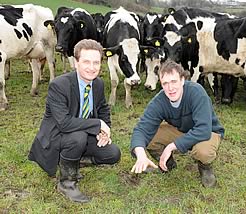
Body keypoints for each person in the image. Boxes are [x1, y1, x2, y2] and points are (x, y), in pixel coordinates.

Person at [28, 39, 121, 203]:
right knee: (77, 137)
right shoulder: (59, 85)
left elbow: (103, 108)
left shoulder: (98, 84)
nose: (91, 67)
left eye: (96, 62)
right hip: (56, 138)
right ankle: (67, 183)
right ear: (76, 63)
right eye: (86, 62)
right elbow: (64, 123)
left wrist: (104, 132)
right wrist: (98, 124)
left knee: (113, 154)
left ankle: (73, 161)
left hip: (81, 134)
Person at [130, 60, 225, 188]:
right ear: (161, 84)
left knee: (203, 151)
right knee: (150, 137)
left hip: (208, 132)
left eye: (174, 81)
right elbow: (141, 129)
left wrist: (171, 146)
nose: (170, 88)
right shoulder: (160, 100)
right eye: (165, 83)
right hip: (182, 130)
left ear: (182, 80)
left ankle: (205, 166)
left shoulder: (196, 92)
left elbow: (203, 129)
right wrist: (140, 155)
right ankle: (168, 163)